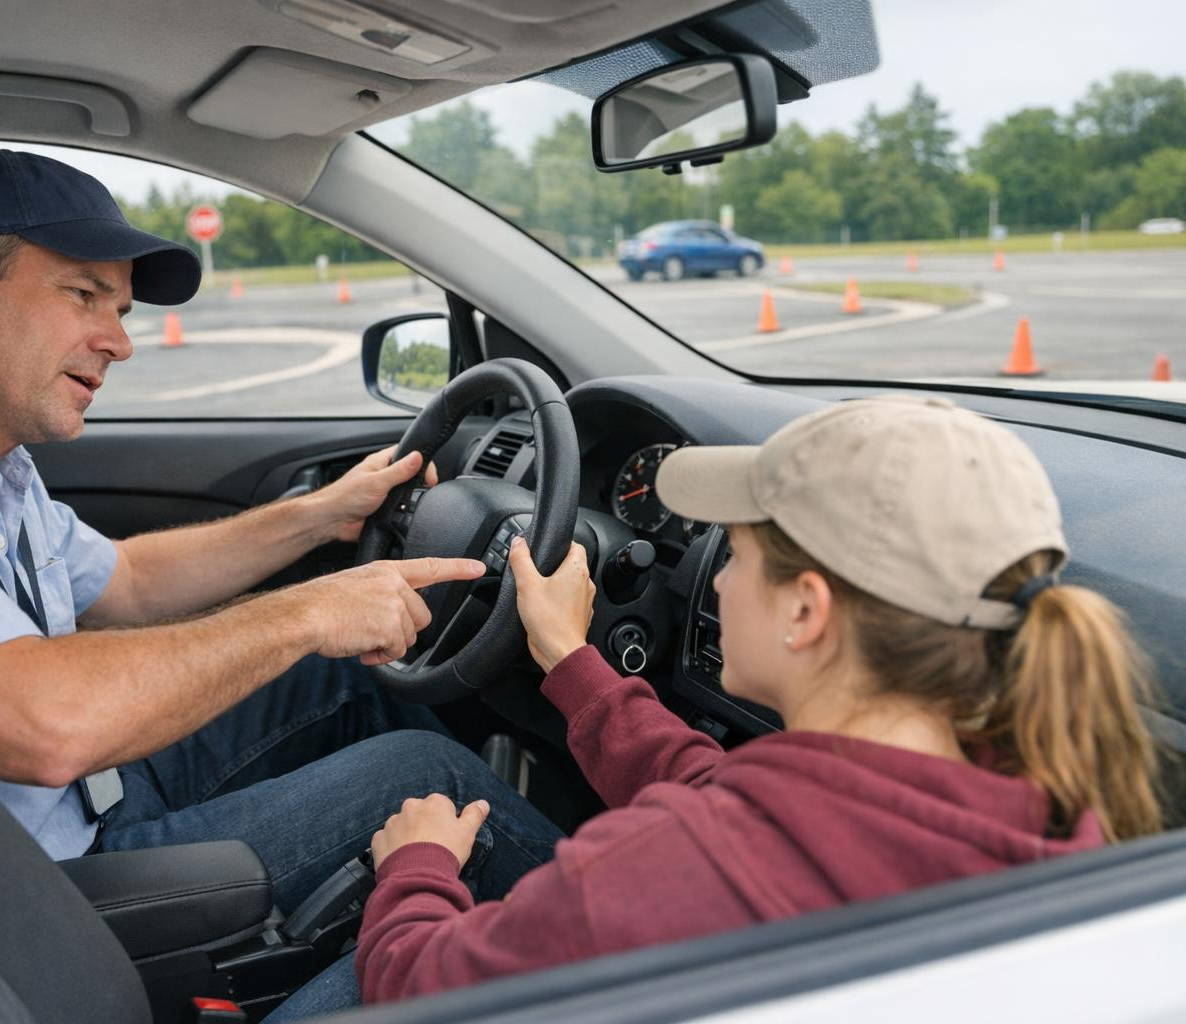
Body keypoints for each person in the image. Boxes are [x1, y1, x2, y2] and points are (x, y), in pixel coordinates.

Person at [0, 149, 562, 912]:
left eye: (122, 312)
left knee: (343, 683)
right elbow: (44, 724)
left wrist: (320, 515)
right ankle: (631, 955)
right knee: (431, 783)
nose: (120, 342)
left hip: (82, 799)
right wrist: (307, 614)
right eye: (85, 296)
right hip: (35, 899)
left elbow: (129, 581)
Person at [268, 394, 1165, 1018]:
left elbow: (420, 984)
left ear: (807, 611)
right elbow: (740, 798)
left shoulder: (657, 873)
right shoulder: (1057, 811)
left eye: (734, 556)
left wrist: (417, 872)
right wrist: (572, 660)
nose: (719, 581)